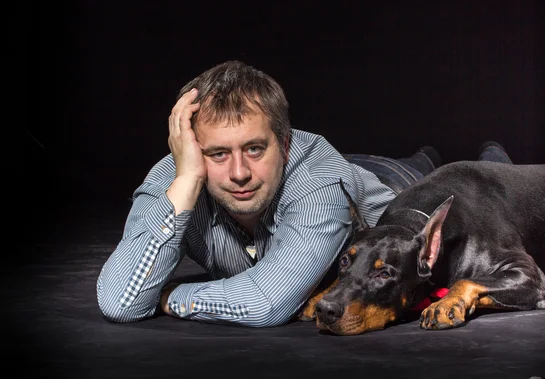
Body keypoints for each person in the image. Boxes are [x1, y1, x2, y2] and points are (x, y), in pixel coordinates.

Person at [96, 60, 513, 327]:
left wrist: (171, 296)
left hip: (389, 190)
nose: (239, 173)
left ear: (286, 144)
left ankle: (480, 155)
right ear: (189, 152)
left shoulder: (320, 183)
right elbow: (120, 301)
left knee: (424, 169)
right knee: (410, 159)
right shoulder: (175, 178)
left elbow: (266, 303)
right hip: (336, 168)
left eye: (255, 148)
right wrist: (186, 183)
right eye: (217, 154)